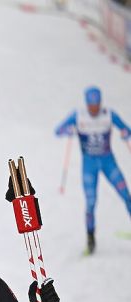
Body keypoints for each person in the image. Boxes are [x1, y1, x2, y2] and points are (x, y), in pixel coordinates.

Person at [54, 85, 131, 253]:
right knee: (90, 202)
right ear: (87, 104)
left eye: (97, 105)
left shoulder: (109, 114)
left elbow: (127, 129)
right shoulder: (78, 115)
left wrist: (125, 133)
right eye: (91, 105)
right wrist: (66, 130)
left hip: (108, 161)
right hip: (89, 165)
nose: (94, 109)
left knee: (126, 193)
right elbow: (57, 130)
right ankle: (90, 239)